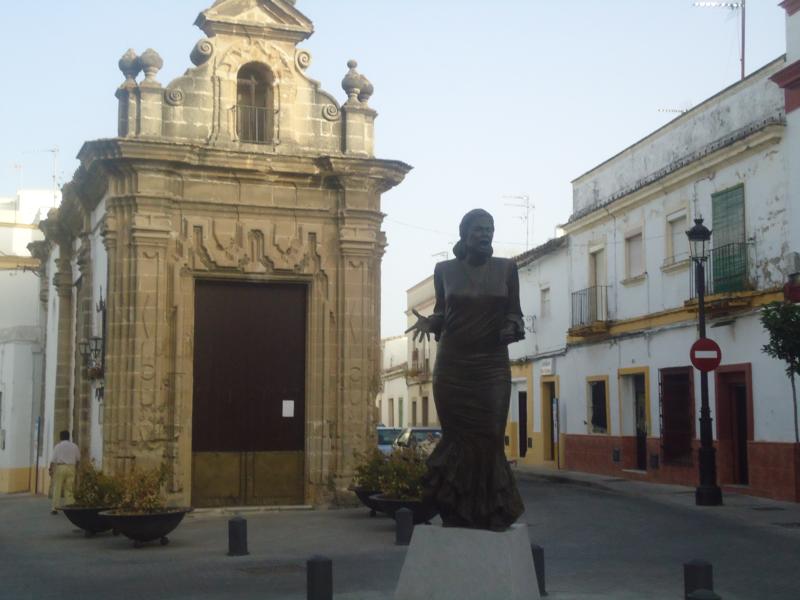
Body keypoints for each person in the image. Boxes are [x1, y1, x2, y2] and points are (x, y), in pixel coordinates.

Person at [406, 208, 526, 531]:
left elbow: (515, 314)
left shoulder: (506, 269)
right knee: (456, 437)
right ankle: (456, 508)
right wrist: (432, 321)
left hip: (490, 366)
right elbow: (443, 312)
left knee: (489, 435)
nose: (485, 234)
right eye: (478, 229)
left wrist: (512, 328)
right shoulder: (444, 270)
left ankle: (492, 508)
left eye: (489, 229)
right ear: (464, 234)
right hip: (453, 366)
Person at [49, 430, 80, 514]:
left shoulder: (57, 446)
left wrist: (50, 469)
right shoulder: (74, 446)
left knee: (57, 488)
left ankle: (55, 508)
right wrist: (76, 468)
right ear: (68, 437)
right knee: (69, 488)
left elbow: (53, 460)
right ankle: (70, 505)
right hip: (71, 467)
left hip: (60, 467)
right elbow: (78, 459)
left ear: (60, 437)